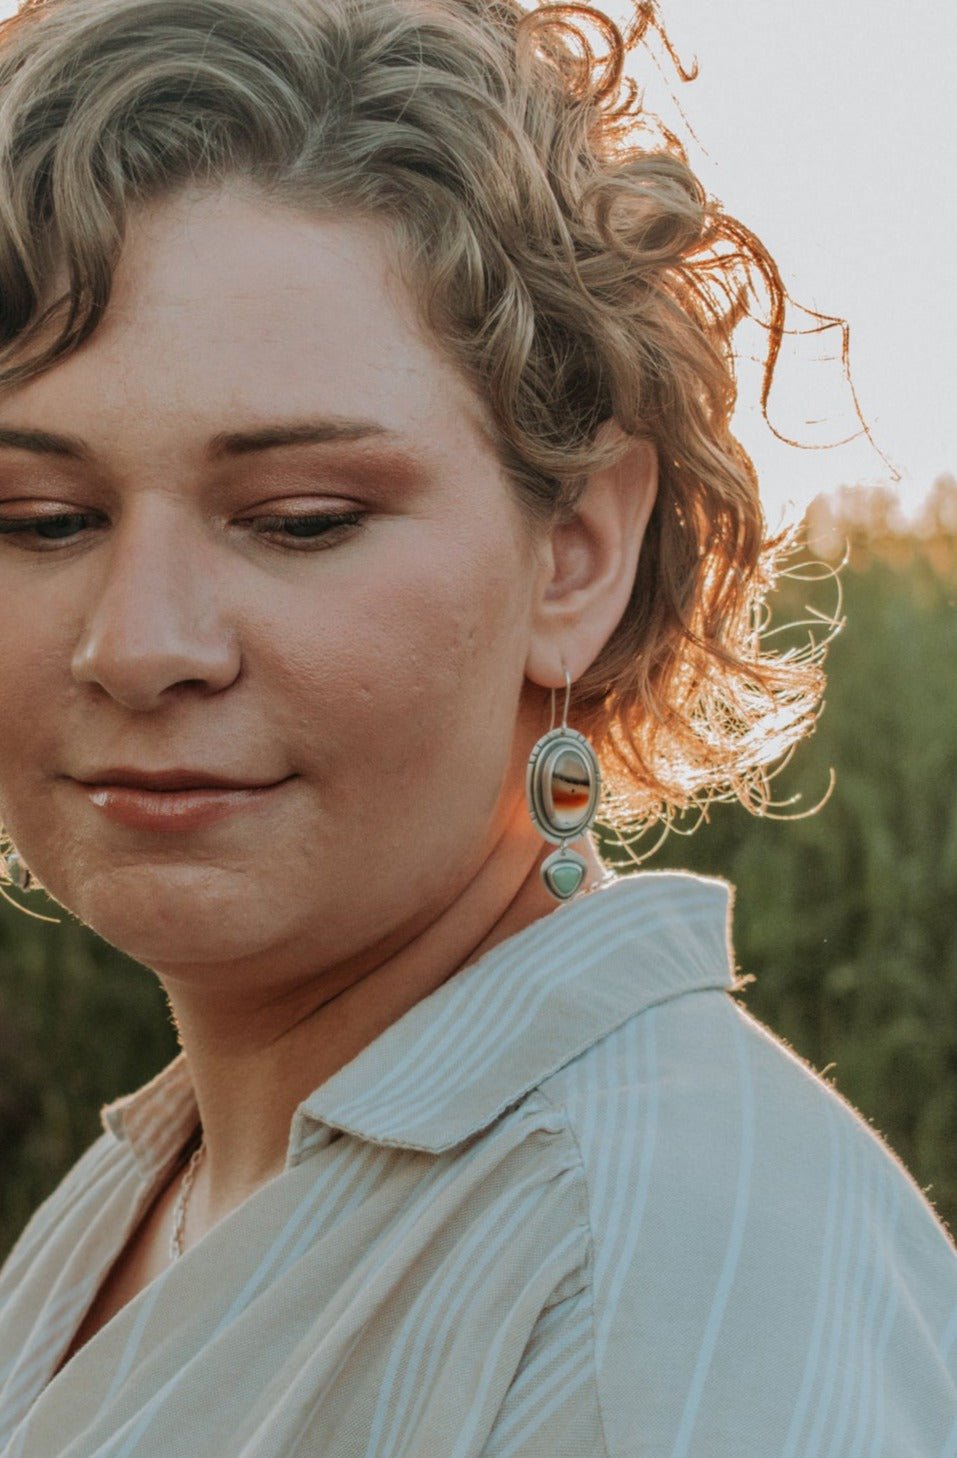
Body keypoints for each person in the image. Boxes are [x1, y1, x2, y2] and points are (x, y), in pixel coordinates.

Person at [0, 0, 953, 1453]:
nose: (138, 644)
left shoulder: (647, 1279)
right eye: (42, 519)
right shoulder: (178, 1168)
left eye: (300, 520)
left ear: (573, 554)